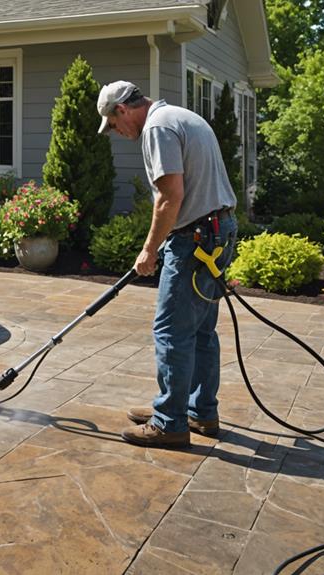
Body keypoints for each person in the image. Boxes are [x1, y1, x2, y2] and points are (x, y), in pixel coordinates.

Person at [96, 81, 238, 448]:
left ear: (122, 110)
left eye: (113, 124)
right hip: (218, 230)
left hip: (196, 238)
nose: (117, 132)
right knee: (201, 330)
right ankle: (199, 411)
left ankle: (170, 422)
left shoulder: (157, 128)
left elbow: (169, 198)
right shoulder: (180, 116)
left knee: (171, 331)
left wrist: (149, 250)